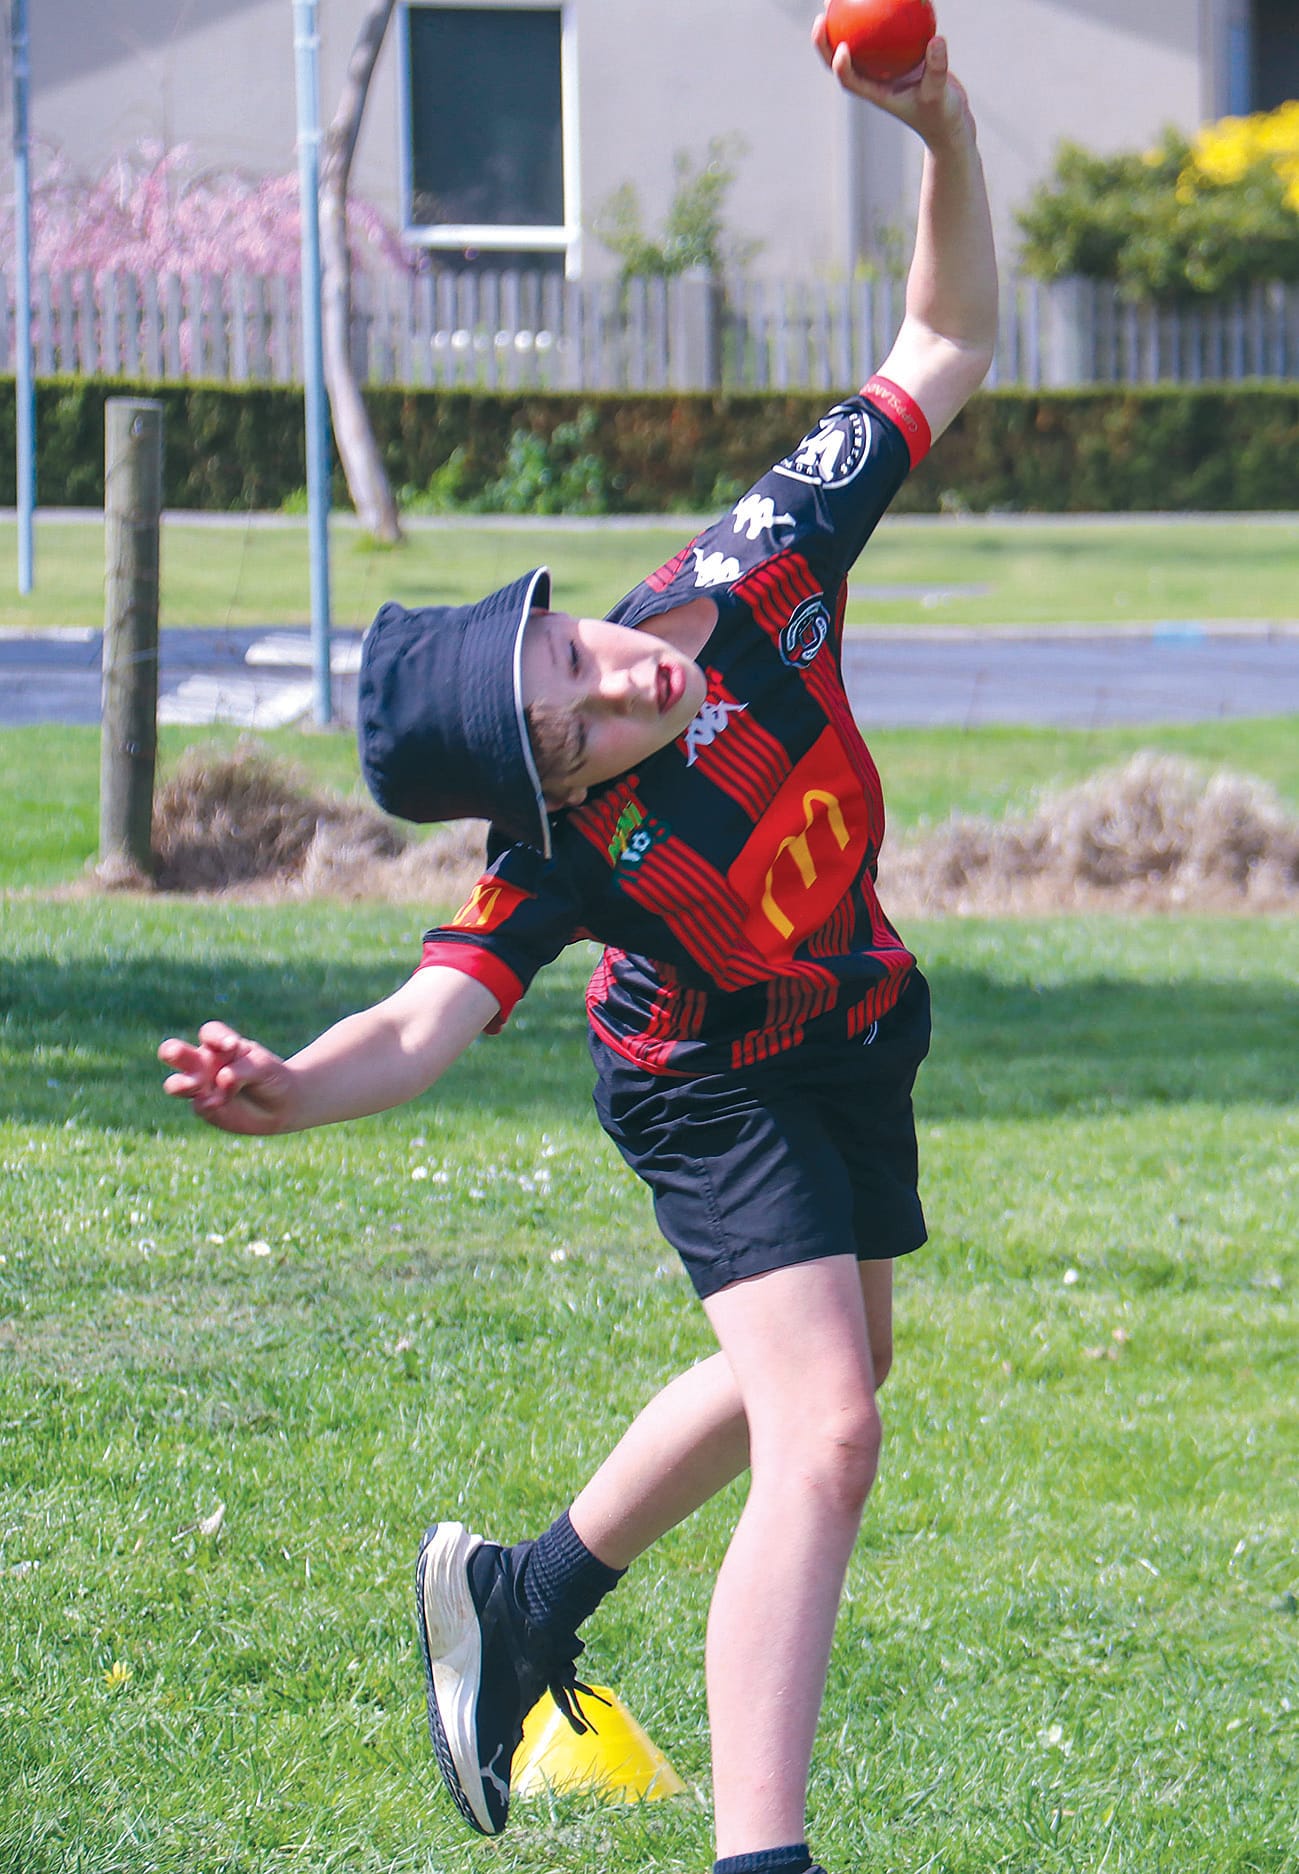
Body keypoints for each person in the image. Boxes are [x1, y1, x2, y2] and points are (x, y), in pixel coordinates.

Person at [159, 19, 997, 1874]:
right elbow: (425, 1016)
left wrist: (942, 133)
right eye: (578, 725)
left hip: (850, 1011)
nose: (617, 683)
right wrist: (297, 1090)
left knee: (837, 1356)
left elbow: (938, 346)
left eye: (572, 651)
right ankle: (760, 1857)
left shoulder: (751, 567)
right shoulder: (566, 863)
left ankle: (527, 1601)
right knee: (830, 1431)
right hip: (703, 1072)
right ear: (552, 799)